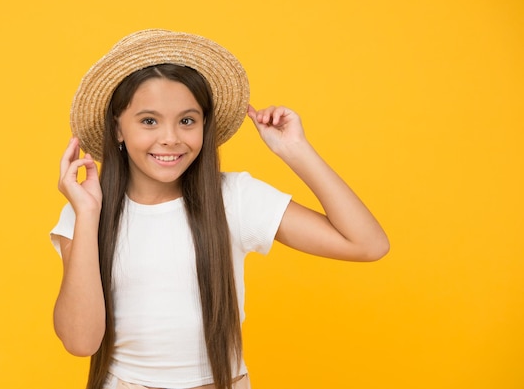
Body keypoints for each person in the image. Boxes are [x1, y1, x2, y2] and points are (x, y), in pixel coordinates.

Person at [50, 29, 389, 389]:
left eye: (187, 120)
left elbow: (367, 244)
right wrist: (87, 215)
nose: (170, 137)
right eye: (149, 121)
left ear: (204, 126)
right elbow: (80, 342)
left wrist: (296, 151)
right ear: (118, 127)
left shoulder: (235, 198)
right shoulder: (87, 210)